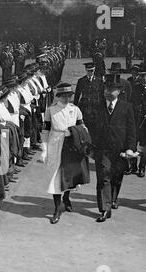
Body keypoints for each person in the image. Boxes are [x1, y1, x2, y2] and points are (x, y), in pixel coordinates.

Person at [40, 83, 89, 224]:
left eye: (69, 96)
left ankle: (66, 197)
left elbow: (82, 126)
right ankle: (57, 208)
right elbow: (46, 130)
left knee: (70, 173)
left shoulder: (75, 109)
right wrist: (44, 148)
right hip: (56, 143)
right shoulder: (51, 110)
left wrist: (78, 134)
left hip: (71, 144)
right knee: (55, 175)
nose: (67, 99)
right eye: (64, 96)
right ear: (59, 96)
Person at [92, 75, 136, 223]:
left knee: (116, 176)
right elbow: (92, 128)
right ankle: (105, 209)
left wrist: (130, 148)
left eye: (112, 89)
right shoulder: (97, 106)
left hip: (121, 150)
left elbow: (131, 130)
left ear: (119, 91)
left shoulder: (126, 107)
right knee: (104, 177)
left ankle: (112, 199)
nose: (108, 92)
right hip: (102, 149)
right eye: (106, 88)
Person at [74, 62, 104, 133]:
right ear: (86, 70)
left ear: (94, 70)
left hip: (95, 108)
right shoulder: (81, 81)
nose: (90, 73)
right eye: (88, 71)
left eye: (92, 71)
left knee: (95, 127)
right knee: (85, 126)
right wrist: (75, 107)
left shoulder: (99, 81)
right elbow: (77, 95)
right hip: (85, 107)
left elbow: (102, 95)